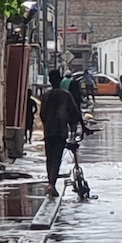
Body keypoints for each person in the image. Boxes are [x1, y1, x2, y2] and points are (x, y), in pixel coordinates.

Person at [41, 69, 82, 197]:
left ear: (49, 80)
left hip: (48, 131)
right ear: (59, 80)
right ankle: (52, 185)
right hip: (60, 131)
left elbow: (42, 113)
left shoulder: (46, 95)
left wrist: (46, 125)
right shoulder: (65, 95)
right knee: (56, 158)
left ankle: (50, 183)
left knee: (49, 157)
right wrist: (82, 126)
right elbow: (75, 112)